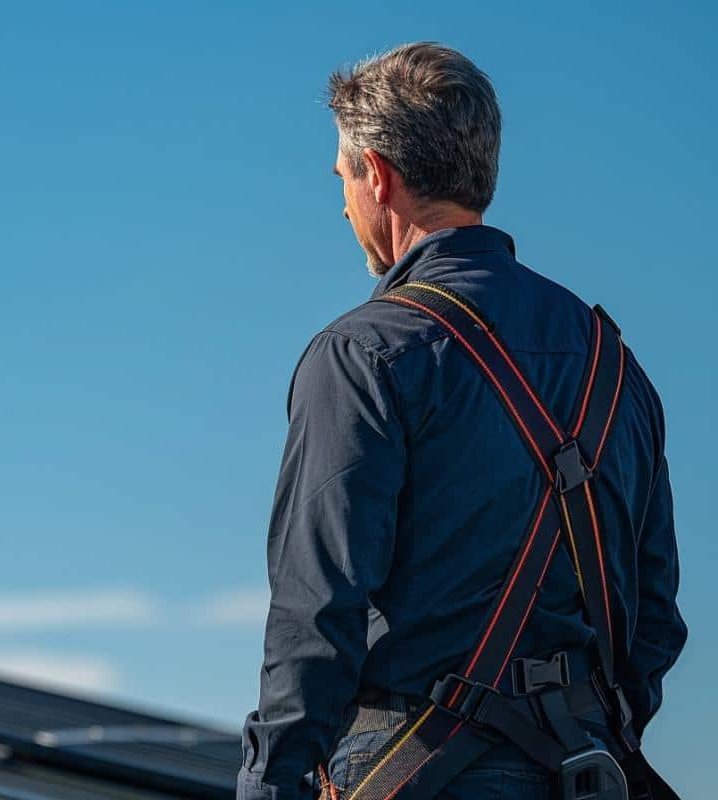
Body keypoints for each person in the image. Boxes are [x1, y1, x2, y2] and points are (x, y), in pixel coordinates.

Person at [237, 43, 686, 800]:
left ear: (377, 174)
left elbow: (316, 616)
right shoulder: (616, 367)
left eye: (343, 180)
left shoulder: (362, 354)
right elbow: (655, 618)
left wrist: (272, 784)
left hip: (414, 769)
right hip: (589, 770)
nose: (343, 203)